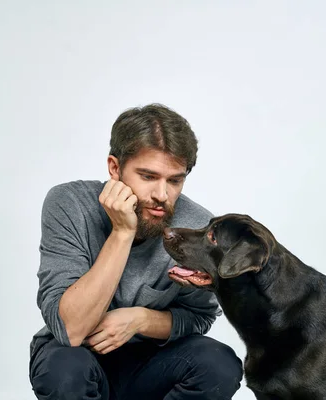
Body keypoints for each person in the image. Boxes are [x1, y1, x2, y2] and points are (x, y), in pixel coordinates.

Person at [28, 104, 243, 399]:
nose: (161, 195)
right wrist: (122, 232)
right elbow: (71, 330)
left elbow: (199, 317)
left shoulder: (195, 226)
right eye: (148, 176)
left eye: (175, 180)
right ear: (115, 168)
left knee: (219, 364)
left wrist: (141, 320)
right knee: (65, 370)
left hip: (153, 362)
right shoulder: (70, 204)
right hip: (77, 356)